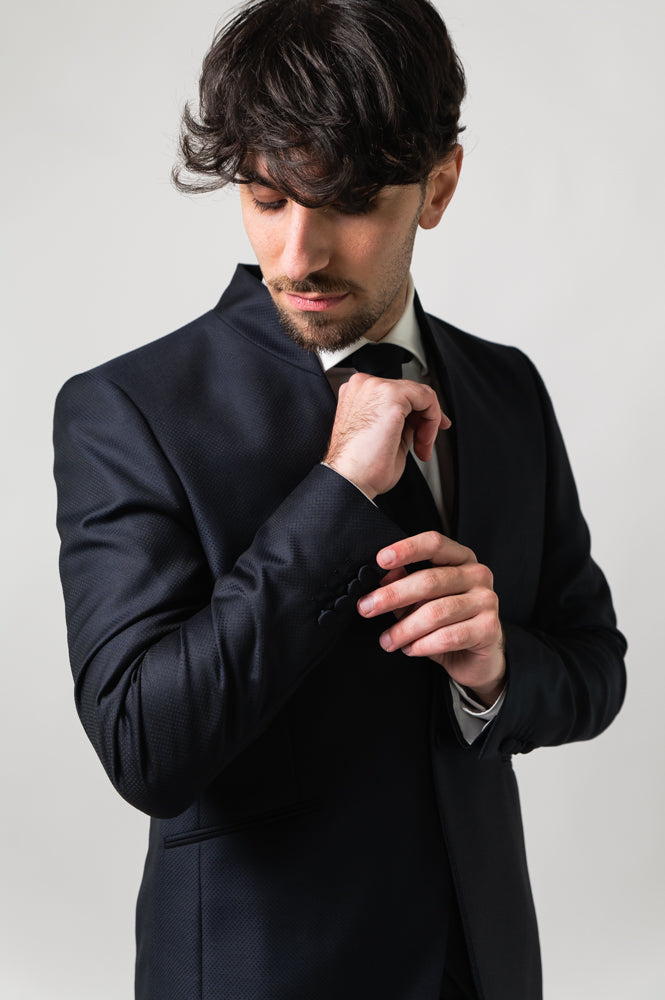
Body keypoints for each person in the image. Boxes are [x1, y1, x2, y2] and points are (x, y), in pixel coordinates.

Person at [53, 1, 626, 998]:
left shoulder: (505, 390)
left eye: (348, 202)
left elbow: (592, 666)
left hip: (481, 969)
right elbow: (145, 746)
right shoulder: (130, 409)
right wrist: (335, 493)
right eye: (267, 198)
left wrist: (494, 671)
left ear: (438, 184)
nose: (298, 254)